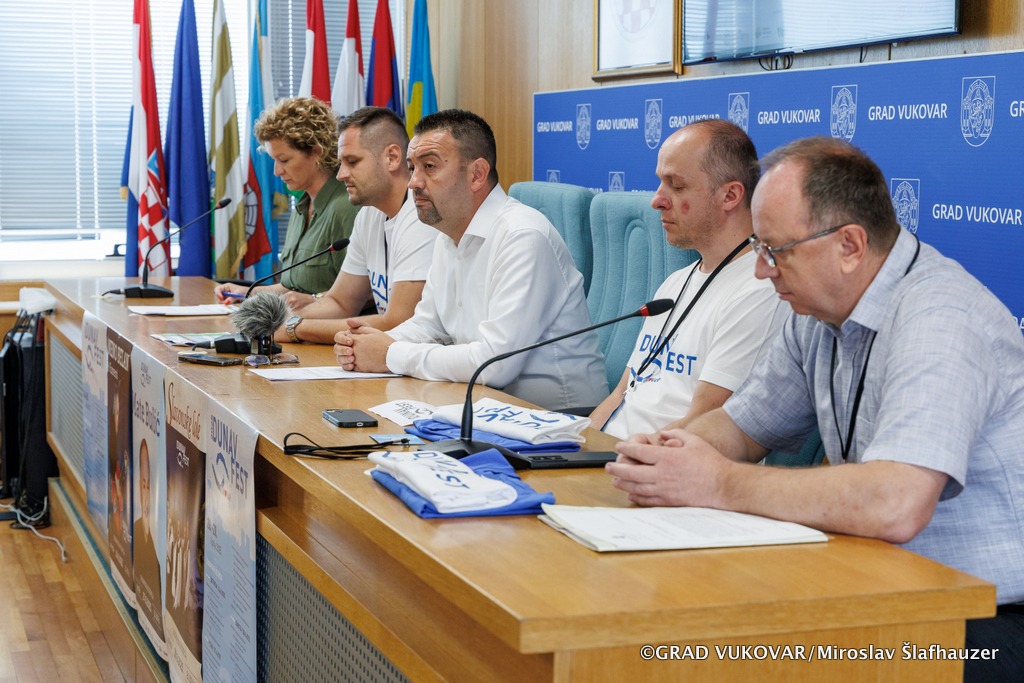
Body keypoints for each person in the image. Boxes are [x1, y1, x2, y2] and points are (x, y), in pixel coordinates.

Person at [607, 136, 1024, 681]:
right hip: (884, 586)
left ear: (849, 245)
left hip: (985, 619)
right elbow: (742, 426)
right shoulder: (815, 309)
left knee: (736, 660)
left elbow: (896, 503)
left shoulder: (941, 318)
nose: (762, 271)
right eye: (759, 249)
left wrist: (719, 483)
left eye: (776, 251)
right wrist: (671, 452)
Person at [333, 109, 608, 411]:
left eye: (429, 167)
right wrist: (367, 344)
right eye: (412, 168)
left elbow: (494, 363)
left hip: (558, 419)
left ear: (477, 174)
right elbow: (430, 326)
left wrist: (390, 354)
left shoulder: (522, 236)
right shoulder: (447, 235)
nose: (413, 182)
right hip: (485, 405)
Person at [589, 120, 789, 438]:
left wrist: (612, 459)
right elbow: (619, 396)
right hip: (610, 455)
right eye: (660, 183)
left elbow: (702, 425)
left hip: (664, 462)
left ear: (730, 195)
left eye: (676, 186)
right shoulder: (675, 282)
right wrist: (570, 448)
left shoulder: (759, 289)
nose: (656, 200)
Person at [276, 106, 436, 344]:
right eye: (341, 163)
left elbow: (398, 323)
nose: (340, 174)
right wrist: (280, 322)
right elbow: (340, 302)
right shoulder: (368, 214)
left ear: (392, 158)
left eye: (352, 162)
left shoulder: (422, 216)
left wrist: (296, 328)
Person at [214, 97, 358, 310]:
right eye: (274, 160)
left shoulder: (347, 206)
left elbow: (369, 290)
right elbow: (292, 289)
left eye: (284, 160)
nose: (276, 171)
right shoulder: (301, 208)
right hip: (295, 324)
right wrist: (247, 292)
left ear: (316, 152)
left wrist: (315, 299)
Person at [133, 439, 162, 638]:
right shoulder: (133, 532)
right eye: (142, 485)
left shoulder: (158, 550)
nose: (145, 494)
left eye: (148, 486)